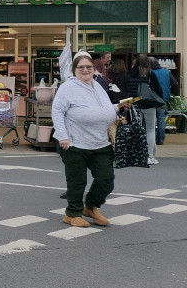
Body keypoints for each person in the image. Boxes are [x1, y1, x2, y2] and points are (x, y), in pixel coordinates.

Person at [52, 54, 123, 228]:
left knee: (106, 178)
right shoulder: (68, 87)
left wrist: (119, 106)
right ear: (74, 70)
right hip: (74, 142)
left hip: (100, 141)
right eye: (81, 67)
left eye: (88, 67)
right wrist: (62, 136)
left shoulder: (97, 86)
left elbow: (103, 108)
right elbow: (57, 111)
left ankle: (90, 206)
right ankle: (72, 213)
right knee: (77, 181)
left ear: (94, 69)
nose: (85, 70)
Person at [127, 53, 164, 165]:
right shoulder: (150, 74)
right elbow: (158, 89)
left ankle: (136, 154)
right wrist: (159, 103)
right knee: (150, 129)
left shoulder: (129, 73)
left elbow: (127, 88)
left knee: (137, 129)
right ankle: (150, 156)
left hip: (134, 104)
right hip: (148, 105)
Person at [150, 57, 179, 146]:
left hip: (151, 99)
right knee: (161, 120)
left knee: (151, 120)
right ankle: (161, 139)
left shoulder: (149, 72)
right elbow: (175, 84)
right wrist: (172, 93)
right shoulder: (167, 72)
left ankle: (151, 138)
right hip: (163, 98)